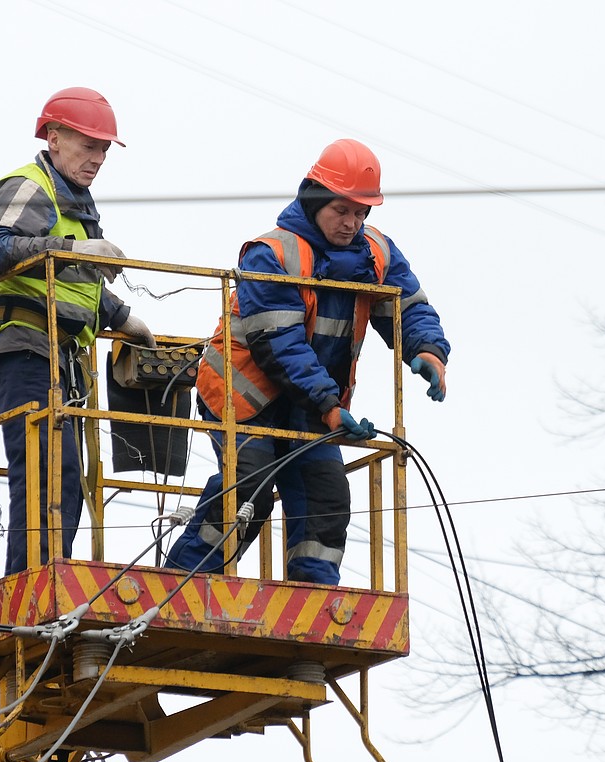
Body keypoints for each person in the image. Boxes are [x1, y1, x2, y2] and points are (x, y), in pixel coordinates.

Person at [164, 138, 450, 586]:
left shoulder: (376, 253)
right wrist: (330, 406)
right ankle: (181, 583)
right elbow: (280, 345)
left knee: (326, 497)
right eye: (342, 210)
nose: (352, 223)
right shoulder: (273, 254)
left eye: (361, 213)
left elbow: (408, 306)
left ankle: (313, 597)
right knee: (248, 490)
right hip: (244, 395)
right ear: (315, 199)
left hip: (312, 405)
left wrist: (428, 349)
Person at [0, 86, 154, 576]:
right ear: (53, 137)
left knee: (65, 479)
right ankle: (31, 590)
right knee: (48, 473)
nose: (97, 158)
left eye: (102, 149)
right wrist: (73, 251)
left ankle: (48, 580)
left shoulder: (77, 205)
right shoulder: (31, 186)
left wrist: (122, 318)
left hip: (61, 356)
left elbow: (76, 287)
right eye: (87, 145)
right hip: (24, 346)